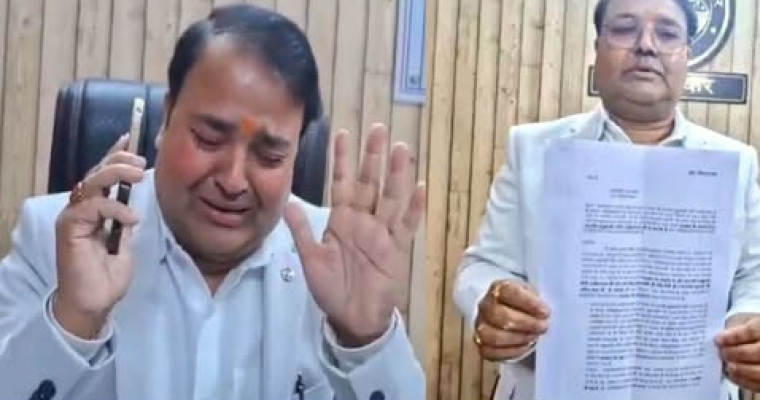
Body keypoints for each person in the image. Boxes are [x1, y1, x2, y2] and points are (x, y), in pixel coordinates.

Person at [0, 4, 426, 400]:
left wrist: (364, 342)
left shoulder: (337, 263)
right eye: (207, 138)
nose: (233, 180)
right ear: (166, 119)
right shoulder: (55, 239)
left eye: (270, 156)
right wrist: (73, 319)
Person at [454, 0, 760, 399]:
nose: (646, 45)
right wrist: (494, 303)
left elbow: (754, 273)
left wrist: (747, 321)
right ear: (597, 49)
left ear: (686, 54)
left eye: (667, 33)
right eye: (624, 28)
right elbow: (484, 265)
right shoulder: (533, 148)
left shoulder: (736, 162)